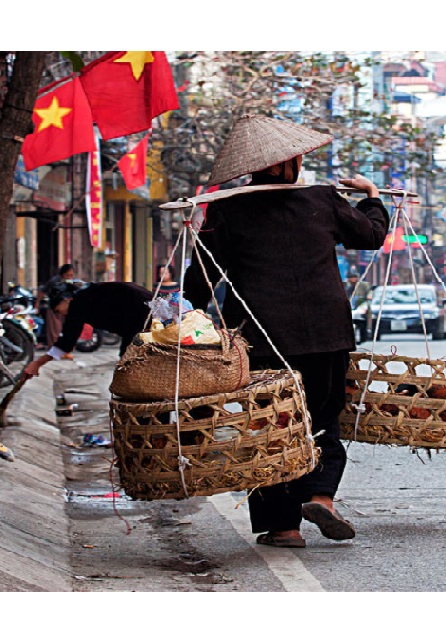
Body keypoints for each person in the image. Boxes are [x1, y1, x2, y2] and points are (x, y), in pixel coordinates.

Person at [183, 114, 389, 548]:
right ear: (291, 161)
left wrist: (191, 321)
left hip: (260, 339)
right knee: (322, 419)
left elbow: (200, 277)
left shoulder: (227, 206)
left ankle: (284, 527)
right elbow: (370, 235)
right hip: (326, 333)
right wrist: (371, 195)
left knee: (268, 426)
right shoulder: (322, 199)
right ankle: (321, 496)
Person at [22, 281, 154, 379]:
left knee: (129, 361)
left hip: (143, 316)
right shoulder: (86, 295)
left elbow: (67, 340)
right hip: (145, 315)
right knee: (131, 358)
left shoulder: (78, 303)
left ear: (66, 299)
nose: (60, 314)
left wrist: (38, 363)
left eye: (58, 310)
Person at [36, 263, 75, 349]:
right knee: (55, 331)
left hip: (66, 309)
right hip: (55, 309)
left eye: (71, 275)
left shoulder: (70, 282)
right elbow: (42, 292)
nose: (69, 277)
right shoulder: (54, 281)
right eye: (67, 275)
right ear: (63, 274)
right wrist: (37, 304)